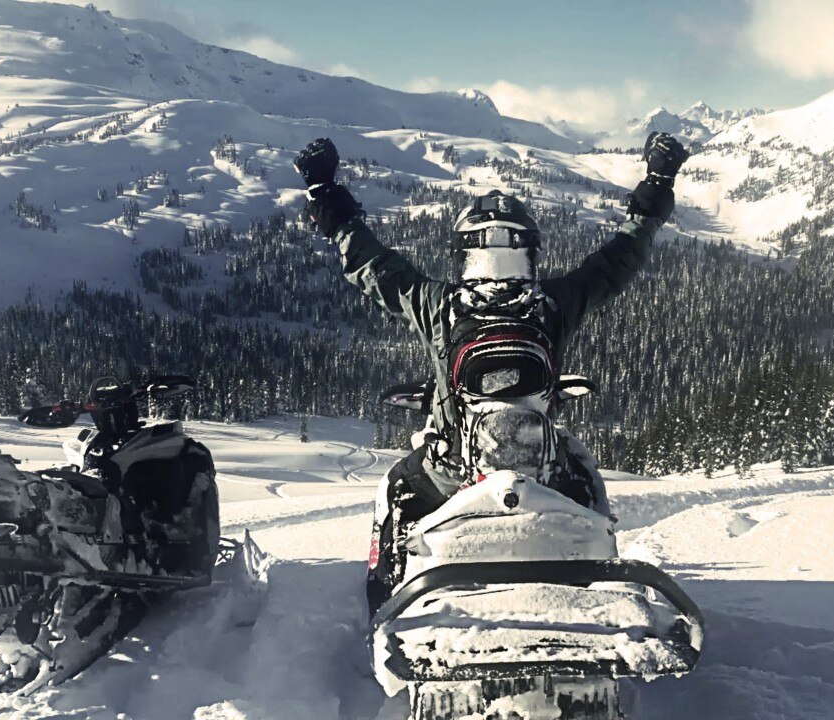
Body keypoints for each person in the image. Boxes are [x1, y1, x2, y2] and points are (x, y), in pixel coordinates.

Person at [292, 133, 690, 612]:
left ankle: (384, 599)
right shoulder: (553, 304)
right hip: (547, 477)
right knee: (585, 473)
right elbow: (620, 257)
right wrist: (657, 185)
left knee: (397, 486)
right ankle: (598, 572)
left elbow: (369, 262)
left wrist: (324, 193)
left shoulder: (439, 306)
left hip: (451, 473)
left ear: (463, 255)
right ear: (531, 252)